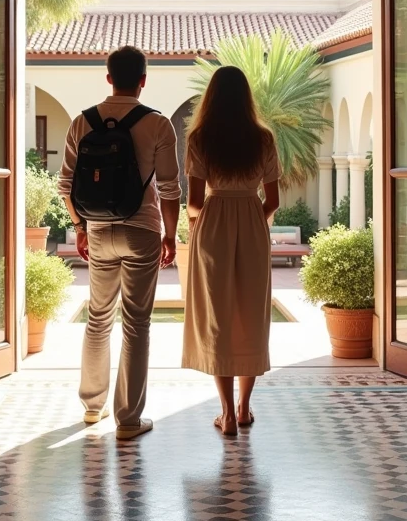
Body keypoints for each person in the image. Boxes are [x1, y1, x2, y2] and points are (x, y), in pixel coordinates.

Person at [59, 46, 180, 440]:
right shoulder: (159, 124)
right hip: (142, 229)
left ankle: (92, 406)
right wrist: (170, 235)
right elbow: (170, 189)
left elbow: (65, 186)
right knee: (137, 323)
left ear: (108, 78)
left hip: (98, 230)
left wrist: (80, 227)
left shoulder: (82, 121)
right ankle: (128, 420)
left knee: (98, 318)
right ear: (143, 80)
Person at [181, 65, 280, 437]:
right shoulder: (264, 139)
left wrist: (206, 218)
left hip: (213, 227)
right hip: (253, 226)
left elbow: (193, 202)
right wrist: (252, 217)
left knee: (217, 316)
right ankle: (243, 408)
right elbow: (273, 200)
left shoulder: (200, 138)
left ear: (211, 97)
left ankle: (225, 414)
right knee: (251, 315)